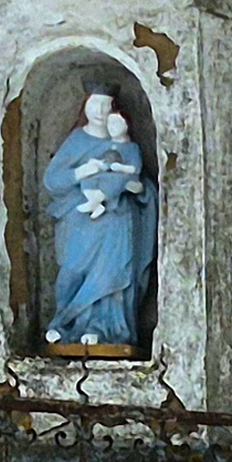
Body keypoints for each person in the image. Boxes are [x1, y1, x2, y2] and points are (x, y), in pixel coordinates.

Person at [39, 87, 154, 353]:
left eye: (106, 106)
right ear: (85, 106)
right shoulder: (78, 140)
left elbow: (141, 183)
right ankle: (67, 324)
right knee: (72, 271)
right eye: (95, 105)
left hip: (117, 223)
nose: (101, 112)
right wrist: (83, 171)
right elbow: (53, 180)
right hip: (78, 223)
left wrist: (136, 188)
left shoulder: (126, 145)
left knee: (112, 274)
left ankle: (108, 329)